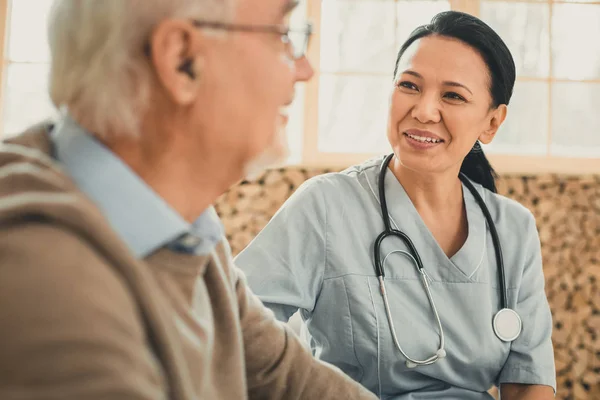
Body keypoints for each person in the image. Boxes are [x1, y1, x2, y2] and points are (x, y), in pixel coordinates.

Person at [0, 0, 379, 399]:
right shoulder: (51, 290)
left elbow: (284, 375)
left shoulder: (183, 224)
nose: (305, 70)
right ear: (182, 60)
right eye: (283, 35)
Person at [235, 11, 556, 399]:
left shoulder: (513, 228)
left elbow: (528, 382)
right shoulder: (326, 206)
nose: (423, 111)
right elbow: (230, 326)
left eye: (452, 95)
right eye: (409, 85)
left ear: (492, 122)